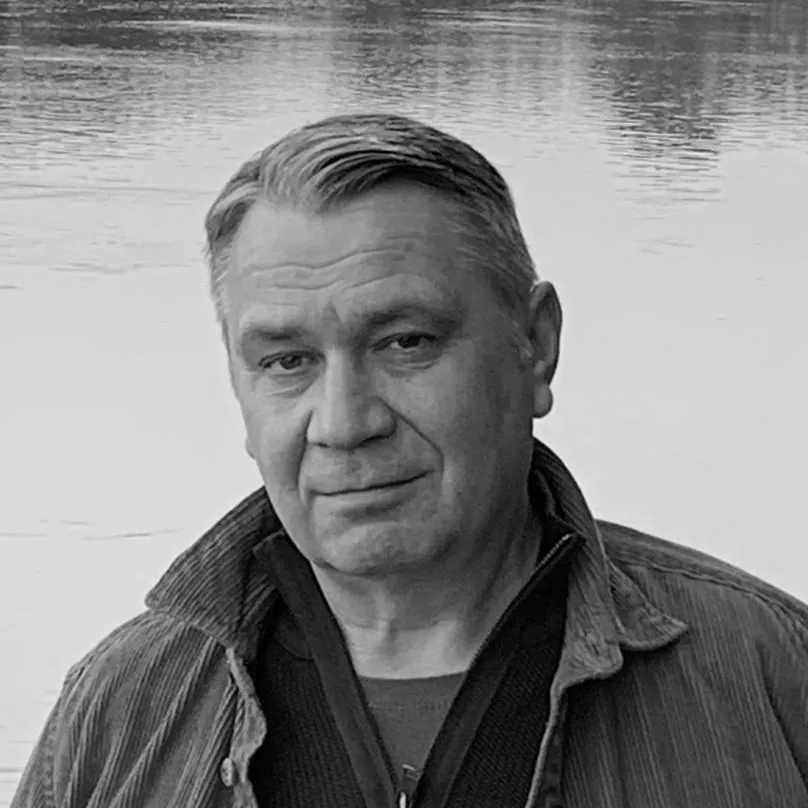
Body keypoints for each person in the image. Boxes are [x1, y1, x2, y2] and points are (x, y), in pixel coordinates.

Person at [12, 114, 808, 808]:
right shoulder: (125, 705)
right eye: (287, 361)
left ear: (536, 346)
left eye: (404, 342)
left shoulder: (769, 673)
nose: (344, 423)